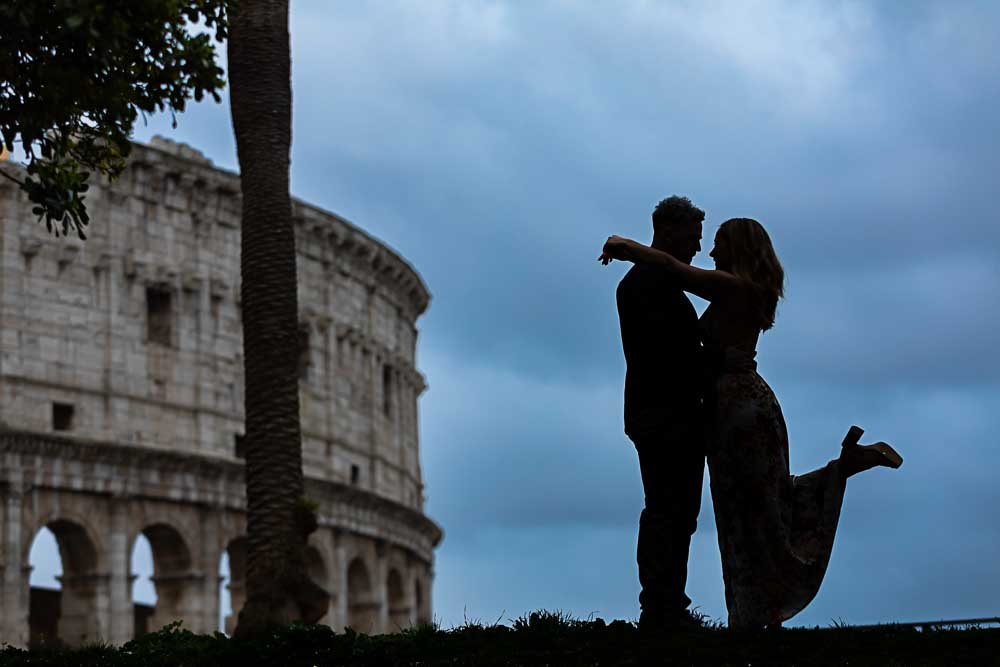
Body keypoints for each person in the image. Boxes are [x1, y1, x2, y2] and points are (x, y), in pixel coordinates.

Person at [600, 217, 903, 630]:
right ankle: (757, 605)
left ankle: (756, 607)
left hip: (738, 408)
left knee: (750, 506)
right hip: (738, 404)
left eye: (719, 243)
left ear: (738, 249)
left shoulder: (733, 287)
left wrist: (624, 244)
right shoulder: (741, 290)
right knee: (758, 501)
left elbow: (672, 269)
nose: (710, 252)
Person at [614, 196, 707, 632]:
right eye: (692, 237)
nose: (697, 248)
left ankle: (667, 602)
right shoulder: (648, 285)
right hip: (665, 414)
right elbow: (667, 354)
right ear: (669, 232)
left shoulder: (652, 282)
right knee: (669, 510)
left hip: (662, 413)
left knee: (675, 511)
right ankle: (661, 605)